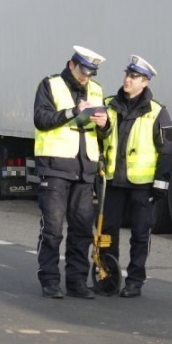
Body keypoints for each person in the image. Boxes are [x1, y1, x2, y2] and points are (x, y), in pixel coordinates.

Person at [34, 46, 110, 299]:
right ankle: (50, 281)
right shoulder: (50, 85)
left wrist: (104, 124)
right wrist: (73, 112)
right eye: (82, 71)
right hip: (55, 166)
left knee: (81, 230)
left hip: (84, 169)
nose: (85, 77)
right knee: (53, 229)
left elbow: (102, 132)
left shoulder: (96, 90)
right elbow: (41, 119)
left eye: (90, 73)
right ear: (71, 65)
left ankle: (77, 282)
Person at [97, 55, 172, 298]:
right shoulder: (108, 104)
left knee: (140, 235)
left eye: (134, 77)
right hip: (113, 182)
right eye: (127, 75)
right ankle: (106, 277)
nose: (127, 79)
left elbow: (167, 151)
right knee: (107, 234)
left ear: (145, 83)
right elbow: (96, 139)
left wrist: (160, 186)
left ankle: (135, 281)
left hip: (142, 185)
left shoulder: (157, 112)